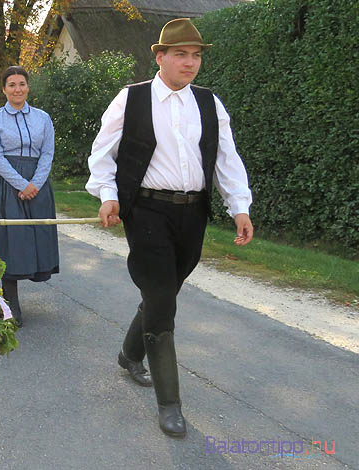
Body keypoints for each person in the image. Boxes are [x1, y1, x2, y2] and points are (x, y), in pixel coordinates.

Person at [86, 18, 253, 438]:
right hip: (146, 213)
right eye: (180, 54)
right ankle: (170, 405)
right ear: (160, 57)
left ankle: (128, 355)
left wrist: (240, 206)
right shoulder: (132, 99)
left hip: (192, 214)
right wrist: (108, 194)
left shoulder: (210, 103)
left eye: (196, 55)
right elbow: (102, 154)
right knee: (162, 299)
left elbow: (226, 160)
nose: (190, 63)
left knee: (162, 292)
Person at [0, 65, 59, 327]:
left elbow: (47, 153)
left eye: (21, 84)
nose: (17, 89)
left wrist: (35, 183)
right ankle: (10, 301)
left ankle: (9, 296)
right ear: (3, 89)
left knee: (30, 238)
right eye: (11, 85)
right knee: (5, 240)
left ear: (27, 87)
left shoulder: (43, 118)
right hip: (3, 184)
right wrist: (21, 184)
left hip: (37, 183)